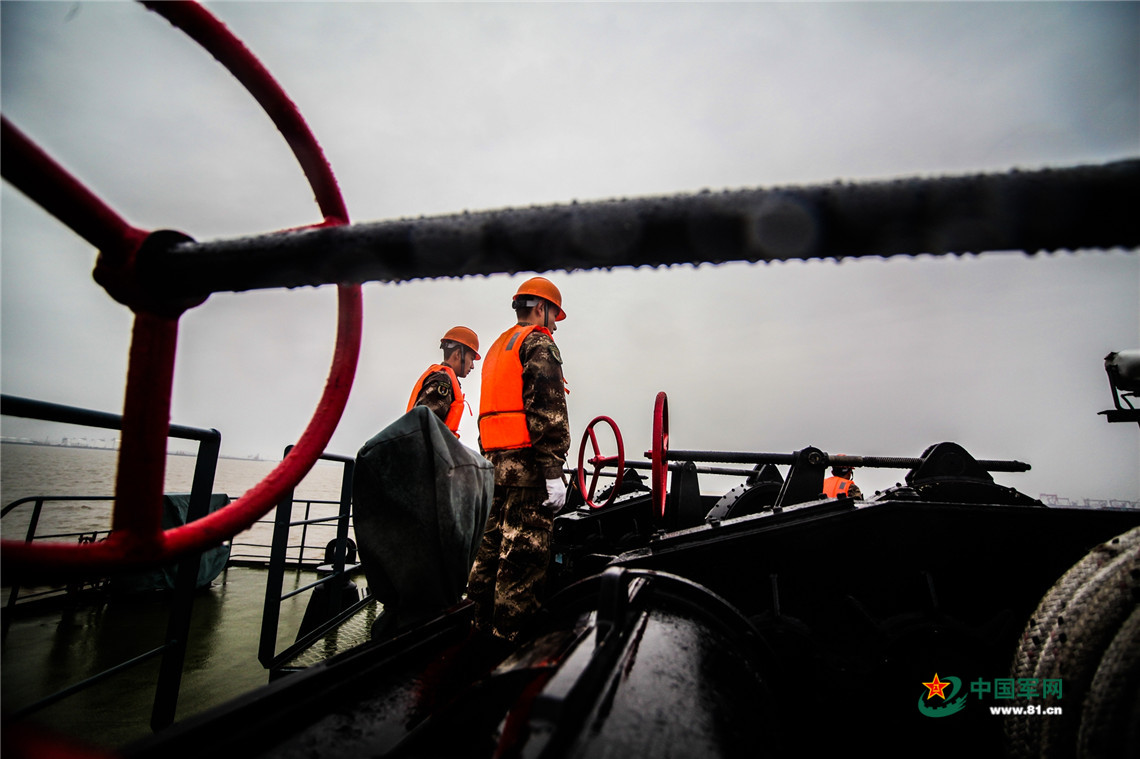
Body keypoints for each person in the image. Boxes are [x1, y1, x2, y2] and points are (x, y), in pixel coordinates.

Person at [467, 276, 571, 645]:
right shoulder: (537, 342)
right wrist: (553, 470)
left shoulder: (499, 347)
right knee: (521, 563)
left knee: (488, 556)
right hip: (528, 472)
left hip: (494, 468)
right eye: (554, 315)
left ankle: (473, 633)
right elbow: (546, 409)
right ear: (541, 308)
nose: (555, 325)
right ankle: (507, 647)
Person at [406, 326, 480, 437]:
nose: (472, 366)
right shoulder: (442, 381)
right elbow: (426, 429)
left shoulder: (442, 378)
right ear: (458, 354)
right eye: (472, 358)